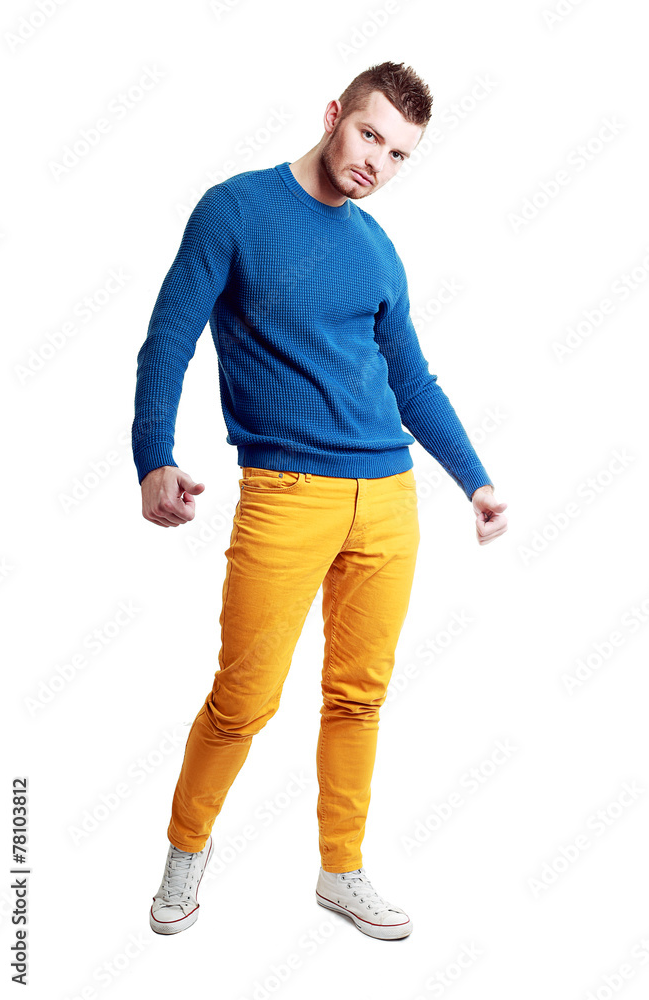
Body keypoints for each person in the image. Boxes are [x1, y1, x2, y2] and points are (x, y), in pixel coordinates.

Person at [131, 60, 508, 941]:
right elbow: (168, 338)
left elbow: (411, 380)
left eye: (400, 153)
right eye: (370, 134)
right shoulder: (234, 209)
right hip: (287, 495)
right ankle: (186, 851)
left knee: (359, 697)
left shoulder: (376, 250)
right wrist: (154, 456)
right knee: (244, 699)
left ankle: (342, 870)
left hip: (389, 500)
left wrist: (476, 479)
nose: (378, 161)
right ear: (334, 113)